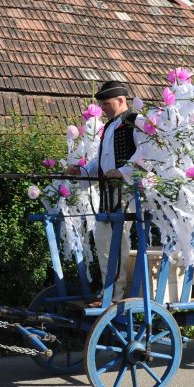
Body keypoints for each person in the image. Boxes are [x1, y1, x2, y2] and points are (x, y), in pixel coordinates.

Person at [66, 80, 142, 302]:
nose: (103, 108)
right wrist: (81, 171)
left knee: (117, 243)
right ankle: (108, 290)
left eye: (107, 104)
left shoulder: (135, 122)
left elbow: (146, 156)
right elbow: (100, 161)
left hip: (125, 194)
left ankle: (115, 295)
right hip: (107, 195)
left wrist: (123, 171)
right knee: (102, 241)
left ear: (121, 100)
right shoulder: (109, 127)